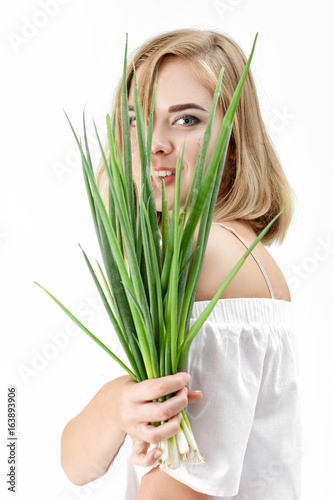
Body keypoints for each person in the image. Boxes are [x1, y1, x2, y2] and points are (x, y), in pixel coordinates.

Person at [60, 28, 301, 499]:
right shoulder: (229, 248)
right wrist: (115, 404)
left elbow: (184, 482)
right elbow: (75, 465)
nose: (155, 144)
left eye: (187, 120)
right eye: (136, 119)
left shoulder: (209, 255)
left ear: (233, 141)